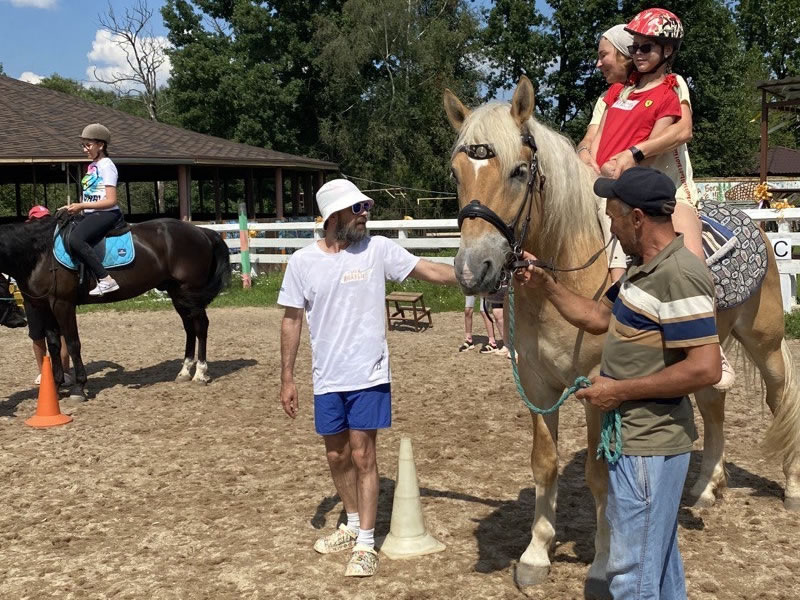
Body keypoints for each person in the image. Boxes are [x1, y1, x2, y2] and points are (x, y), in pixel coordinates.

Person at [516, 167, 722, 599]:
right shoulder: (639, 272)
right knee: (660, 564)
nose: (608, 225)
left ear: (637, 219)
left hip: (649, 444)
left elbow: (705, 369)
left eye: (612, 216)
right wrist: (548, 284)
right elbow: (597, 318)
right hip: (637, 441)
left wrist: (617, 391)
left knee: (631, 574)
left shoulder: (678, 276)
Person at [278, 178, 457, 577]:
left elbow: (428, 269)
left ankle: (365, 543)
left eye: (365, 207)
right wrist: (287, 378)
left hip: (368, 373)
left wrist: (474, 274)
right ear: (333, 216)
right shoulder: (303, 262)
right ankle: (353, 523)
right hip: (327, 378)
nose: (365, 214)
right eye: (357, 209)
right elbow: (291, 320)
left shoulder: (377, 250)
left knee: (363, 454)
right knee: (336, 455)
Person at [66, 123, 123, 296]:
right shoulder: (92, 166)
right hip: (92, 213)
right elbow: (92, 194)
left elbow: (111, 200)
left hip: (107, 213)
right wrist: (74, 207)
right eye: (83, 145)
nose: (85, 149)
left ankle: (106, 279)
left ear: (101, 145)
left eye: (88, 145)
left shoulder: (107, 165)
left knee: (75, 238)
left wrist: (82, 206)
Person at [21, 206, 73, 385]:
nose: (40, 224)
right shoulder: (23, 248)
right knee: (37, 334)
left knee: (61, 333)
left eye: (44, 219)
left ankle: (65, 371)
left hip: (54, 295)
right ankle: (43, 371)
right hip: (32, 298)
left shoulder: (57, 245)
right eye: (36, 220)